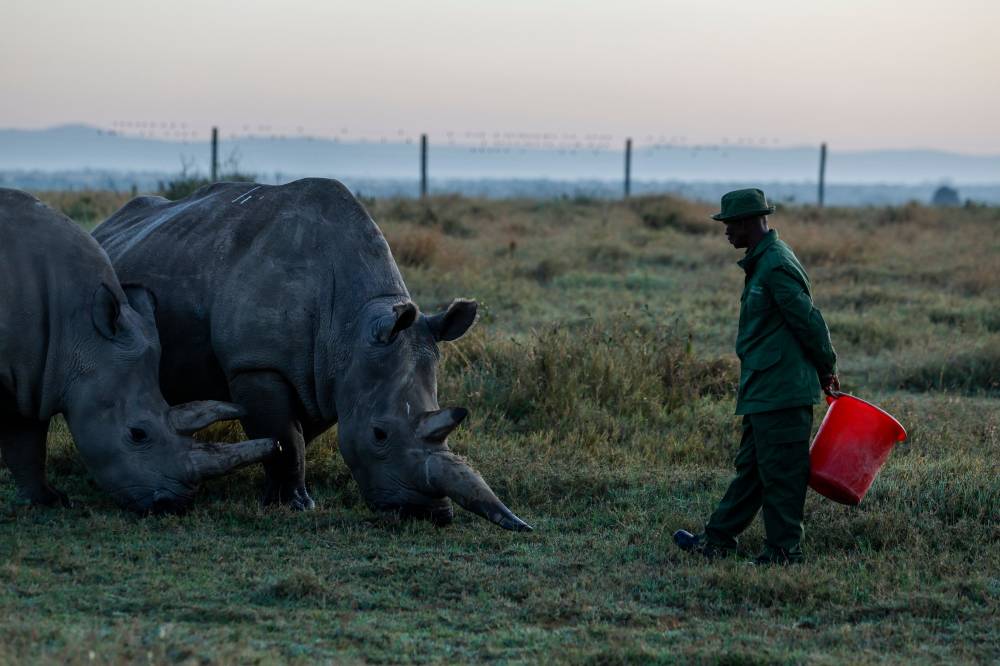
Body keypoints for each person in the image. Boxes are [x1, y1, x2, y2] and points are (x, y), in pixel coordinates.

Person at [674, 188, 838, 565]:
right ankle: (717, 540)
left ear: (749, 223)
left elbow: (809, 322)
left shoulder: (776, 265)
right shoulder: (762, 261)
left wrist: (827, 369)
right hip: (765, 388)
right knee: (752, 468)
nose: (726, 232)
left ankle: (784, 552)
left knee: (782, 473)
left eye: (730, 224)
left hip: (782, 390)